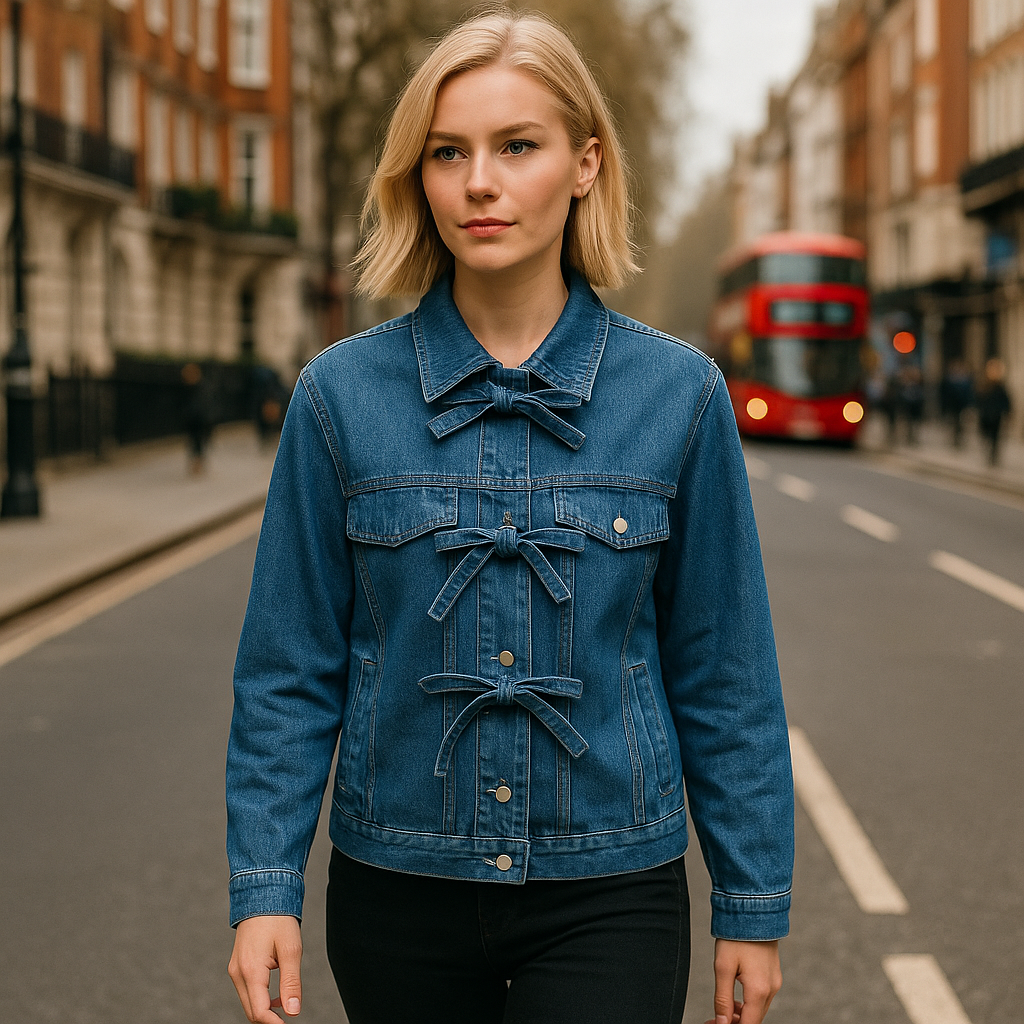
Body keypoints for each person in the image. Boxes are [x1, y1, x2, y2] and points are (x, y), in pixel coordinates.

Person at [225, 11, 793, 1024]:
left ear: (584, 164)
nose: (478, 182)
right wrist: (265, 885)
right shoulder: (336, 398)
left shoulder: (681, 396)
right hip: (397, 886)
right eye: (448, 152)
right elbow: (288, 668)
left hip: (611, 886)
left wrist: (750, 905)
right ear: (419, 177)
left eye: (516, 146)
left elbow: (725, 672)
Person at [976, 356, 1012, 465]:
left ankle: (993, 456)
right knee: (986, 435)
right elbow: (979, 399)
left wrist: (1007, 412)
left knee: (995, 438)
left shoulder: (1000, 386)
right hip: (985, 415)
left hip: (996, 416)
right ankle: (989, 453)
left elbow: (1006, 400)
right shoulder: (983, 385)